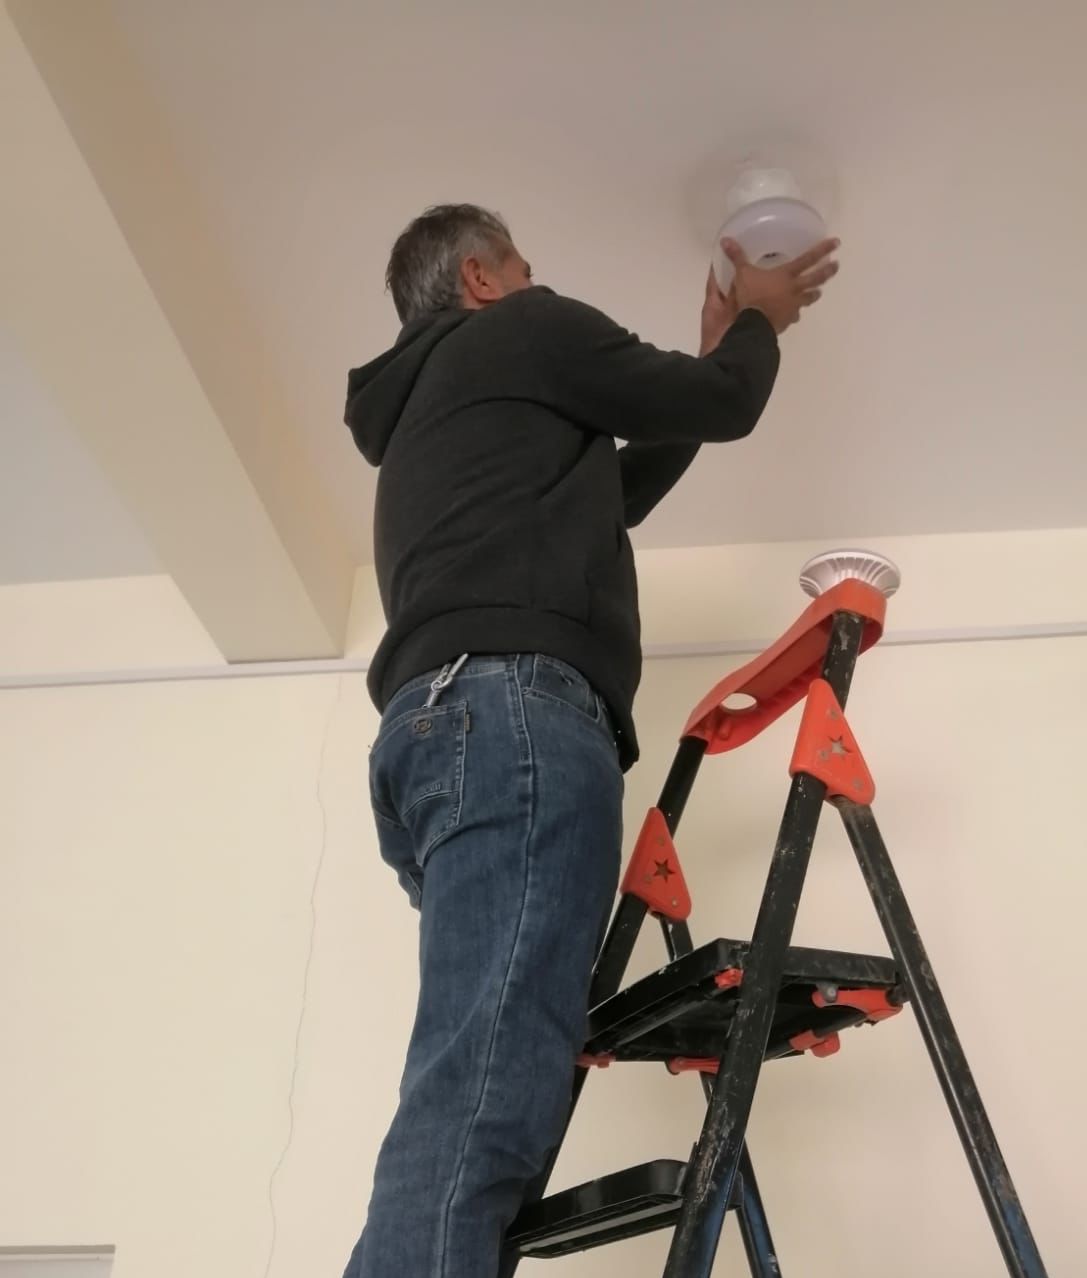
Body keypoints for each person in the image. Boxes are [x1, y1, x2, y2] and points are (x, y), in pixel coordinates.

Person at [341, 203, 839, 1278]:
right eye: (524, 267)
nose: (536, 283)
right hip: (512, 719)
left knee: (476, 1091)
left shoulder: (434, 421)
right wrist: (757, 322)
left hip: (434, 739)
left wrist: (709, 358)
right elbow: (723, 403)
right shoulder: (523, 329)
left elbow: (615, 494)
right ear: (482, 278)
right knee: (480, 1104)